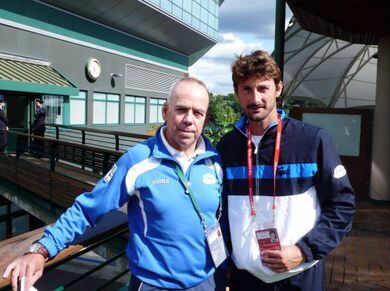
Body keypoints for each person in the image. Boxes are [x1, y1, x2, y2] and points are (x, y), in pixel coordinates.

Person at [3, 77, 227, 291]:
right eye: (181, 110)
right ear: (166, 112)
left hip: (208, 280)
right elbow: (89, 208)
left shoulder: (213, 160)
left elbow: (217, 219)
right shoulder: (139, 160)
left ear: (205, 120)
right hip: (155, 284)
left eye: (198, 113)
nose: (189, 119)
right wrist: (42, 250)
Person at [216, 50, 355, 291]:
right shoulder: (227, 147)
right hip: (245, 279)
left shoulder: (313, 140)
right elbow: (221, 212)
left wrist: (303, 251)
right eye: (246, 89)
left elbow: (343, 204)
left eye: (263, 88)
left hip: (299, 276)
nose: (255, 98)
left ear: (278, 88)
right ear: (237, 93)